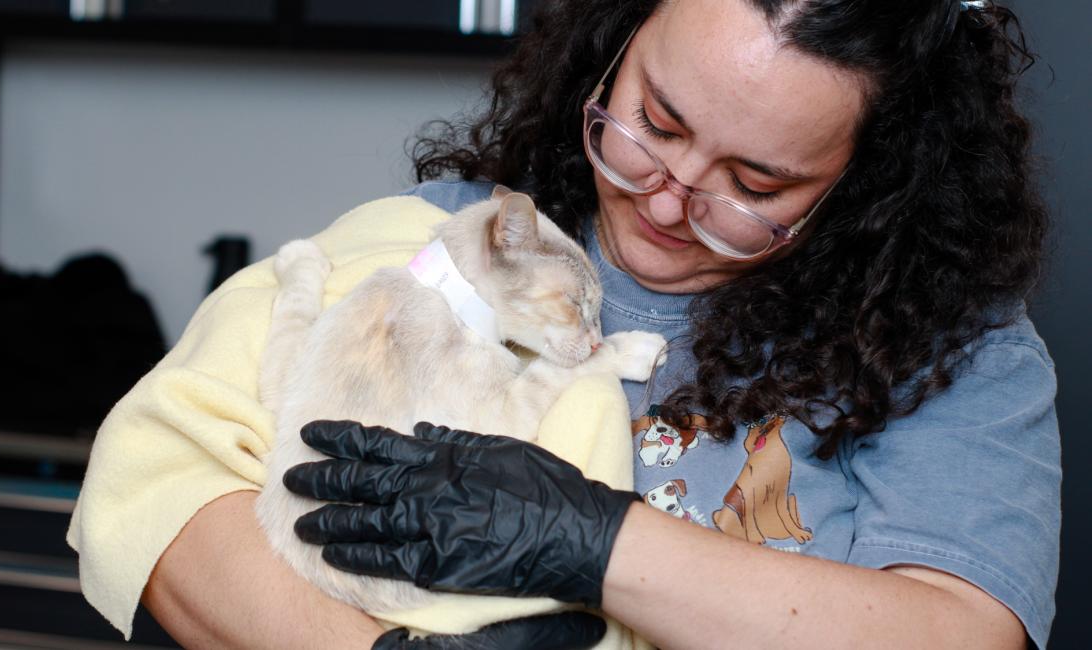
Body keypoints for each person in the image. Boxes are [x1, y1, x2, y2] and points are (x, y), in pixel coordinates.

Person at [68, 0, 1059, 648]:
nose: (667, 203)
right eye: (653, 125)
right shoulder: (444, 245)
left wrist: (590, 541)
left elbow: (961, 630)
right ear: (610, 49)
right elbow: (165, 487)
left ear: (869, 186)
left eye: (754, 185)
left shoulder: (951, 354)